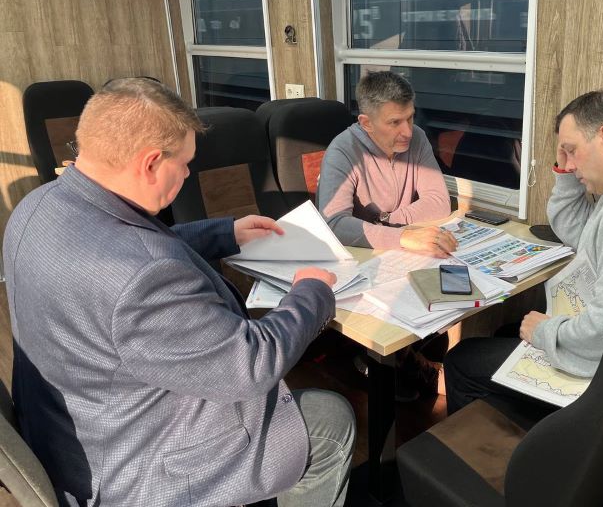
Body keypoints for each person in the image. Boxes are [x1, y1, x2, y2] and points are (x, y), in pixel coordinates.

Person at [2, 78, 355, 506]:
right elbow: (251, 364)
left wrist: (225, 232)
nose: (188, 174)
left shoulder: (36, 207)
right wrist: (311, 291)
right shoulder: (143, 277)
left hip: (70, 427)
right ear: (151, 163)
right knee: (329, 419)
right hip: (135, 469)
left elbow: (127, 245)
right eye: (185, 163)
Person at [444, 89, 603, 415]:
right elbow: (584, 233)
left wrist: (544, 332)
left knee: (462, 359)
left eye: (571, 151)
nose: (566, 164)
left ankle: (515, 444)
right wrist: (566, 171)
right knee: (508, 331)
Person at [317, 70, 456, 257]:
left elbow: (438, 202)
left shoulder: (418, 137)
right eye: (395, 122)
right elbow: (335, 224)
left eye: (410, 118)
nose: (408, 132)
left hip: (398, 249)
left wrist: (389, 222)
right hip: (362, 256)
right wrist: (402, 237)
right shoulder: (342, 151)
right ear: (367, 123)